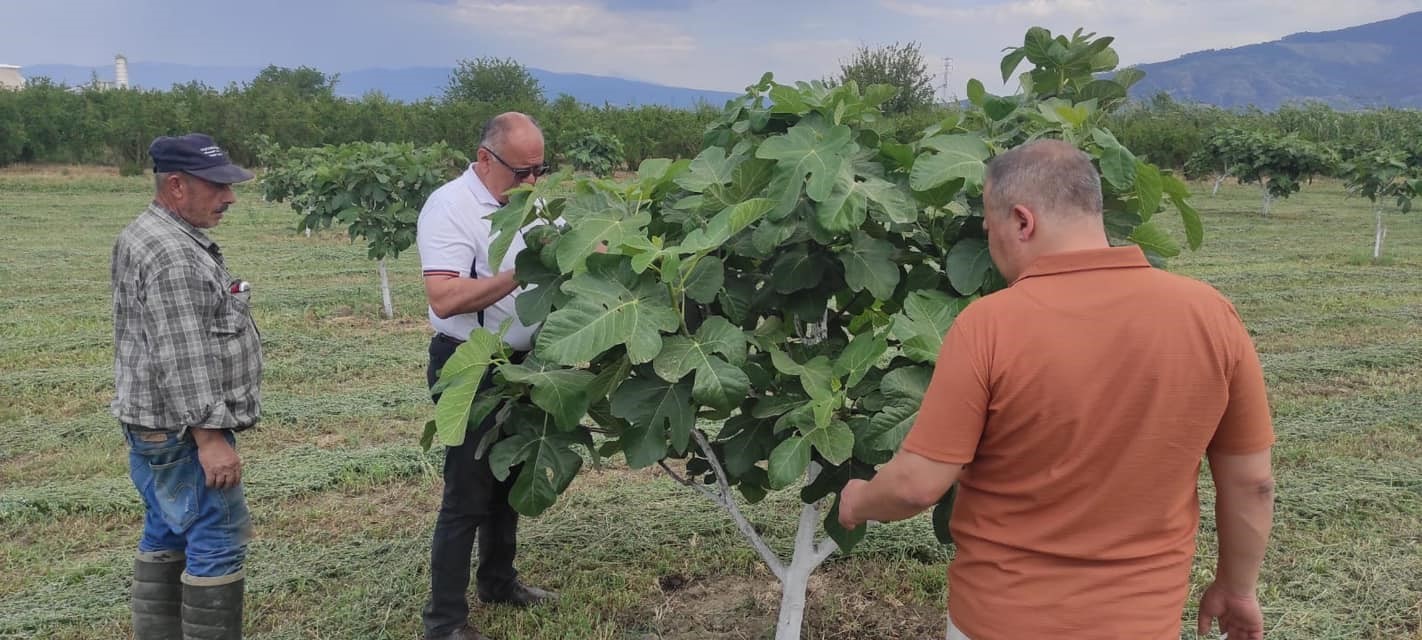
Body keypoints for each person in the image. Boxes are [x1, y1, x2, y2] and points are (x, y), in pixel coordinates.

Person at [838, 139, 1277, 640]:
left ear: (1022, 222)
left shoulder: (989, 325)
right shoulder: (1211, 314)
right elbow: (1253, 483)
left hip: (1000, 622)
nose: (991, 244)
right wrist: (1237, 588)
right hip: (1140, 624)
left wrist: (859, 500)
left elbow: (916, 486)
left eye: (990, 228)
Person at [111, 133, 262, 640]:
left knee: (166, 527)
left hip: (151, 426)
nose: (230, 197)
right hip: (183, 433)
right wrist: (210, 438)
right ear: (176, 186)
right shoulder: (175, 255)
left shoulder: (145, 233)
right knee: (216, 536)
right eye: (218, 186)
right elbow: (182, 357)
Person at [415, 112, 559, 640]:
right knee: (467, 494)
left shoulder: (532, 200)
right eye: (521, 172)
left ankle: (500, 581)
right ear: (483, 159)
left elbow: (573, 249)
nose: (531, 183)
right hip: (472, 364)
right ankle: (445, 622)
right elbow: (445, 295)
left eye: (539, 171)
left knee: (508, 478)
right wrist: (519, 272)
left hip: (526, 364)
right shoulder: (449, 207)